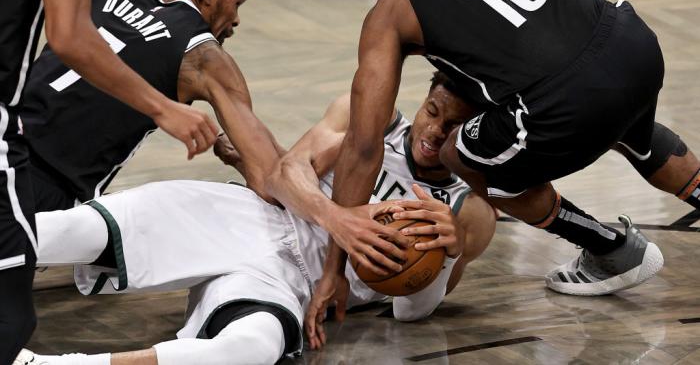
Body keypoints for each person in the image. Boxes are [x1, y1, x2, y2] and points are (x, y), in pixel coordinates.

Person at [305, 0, 700, 330]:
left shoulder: (392, 9)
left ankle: (610, 249)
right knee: (627, 125)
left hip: (567, 99)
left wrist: (334, 269)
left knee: (460, 155)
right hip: (632, 43)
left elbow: (364, 146)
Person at [16, 73, 496, 364]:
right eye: (433, 111)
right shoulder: (371, 118)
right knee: (74, 230)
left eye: (454, 125)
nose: (436, 130)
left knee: (251, 349)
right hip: (245, 217)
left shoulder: (468, 209)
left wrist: (447, 254)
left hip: (289, 282)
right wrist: (341, 220)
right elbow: (284, 177)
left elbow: (410, 312)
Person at [0, 0, 218, 361]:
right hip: (21, 154)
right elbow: (70, 35)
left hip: (34, 150)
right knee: (11, 319)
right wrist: (164, 108)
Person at [21, 0, 283, 213]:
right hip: (45, 190)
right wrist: (234, 157)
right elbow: (269, 183)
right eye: (237, 3)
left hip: (8, 139)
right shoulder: (205, 58)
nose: (236, 19)